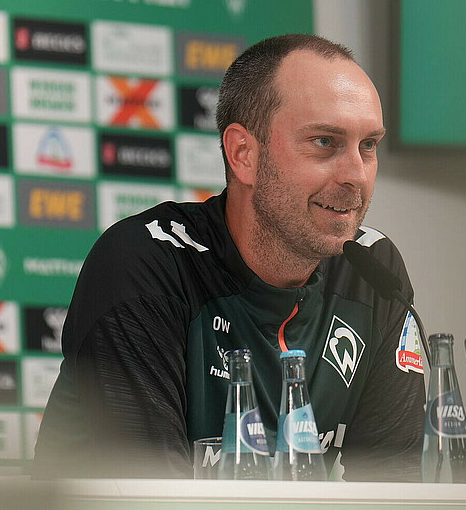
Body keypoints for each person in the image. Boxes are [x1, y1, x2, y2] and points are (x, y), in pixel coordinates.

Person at [33, 34, 425, 480]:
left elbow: (393, 494)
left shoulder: (373, 271)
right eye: (324, 142)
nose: (356, 174)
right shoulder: (145, 264)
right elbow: (153, 501)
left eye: (368, 145)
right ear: (244, 155)